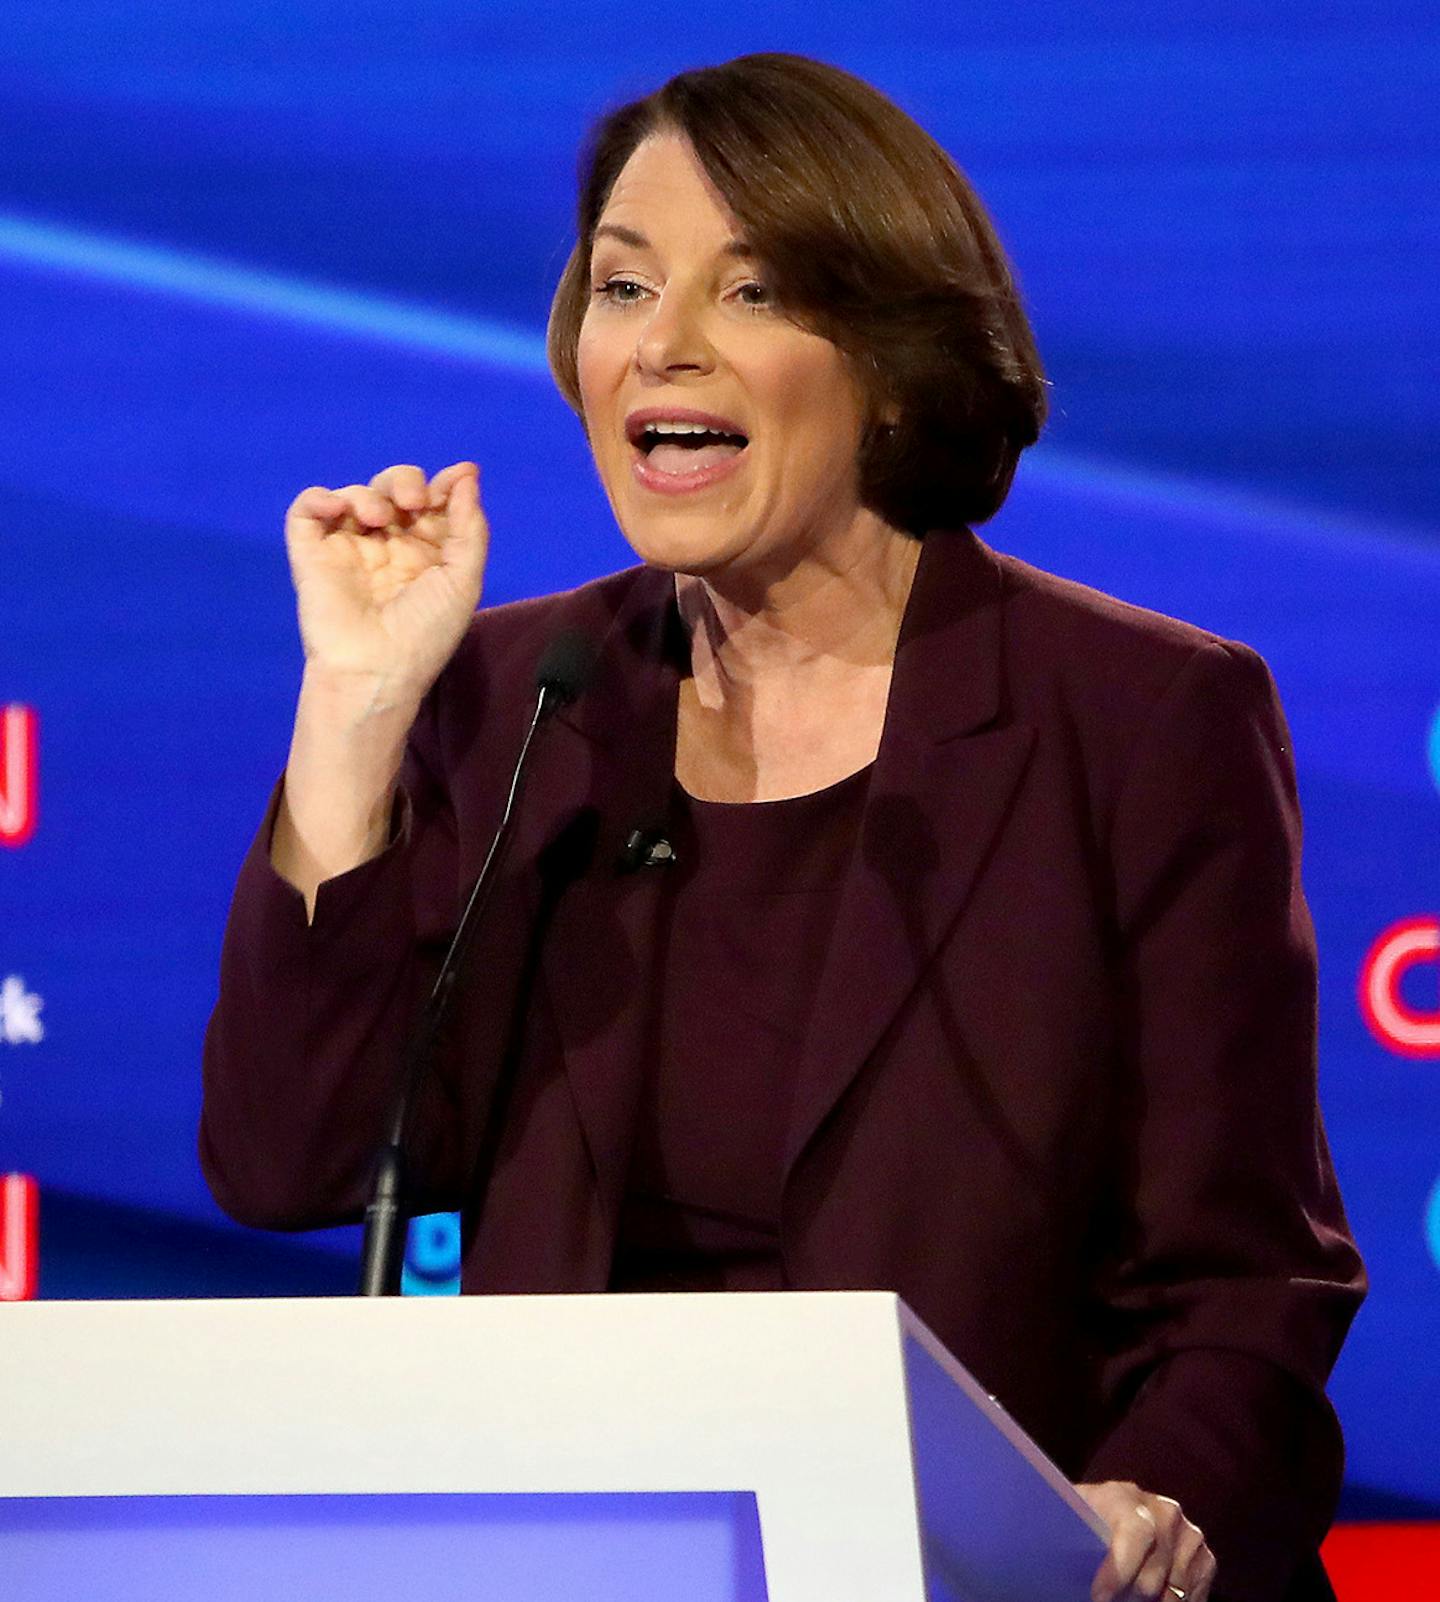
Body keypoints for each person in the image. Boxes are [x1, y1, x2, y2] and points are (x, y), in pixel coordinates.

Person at [201, 53, 1364, 1602]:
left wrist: (1149, 1506)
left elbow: (1247, 1280)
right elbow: (289, 1164)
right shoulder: (521, 693)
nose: (662, 346)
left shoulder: (1142, 721)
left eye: (750, 293)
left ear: (889, 354)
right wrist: (352, 718)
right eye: (622, 289)